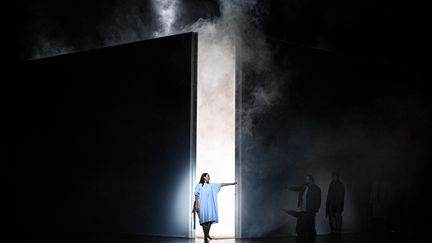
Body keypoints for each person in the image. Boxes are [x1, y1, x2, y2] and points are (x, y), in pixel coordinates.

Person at [193, 173, 237, 242]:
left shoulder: (211, 185)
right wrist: (196, 205)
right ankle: (205, 236)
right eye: (208, 176)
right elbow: (196, 195)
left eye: (209, 176)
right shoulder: (199, 186)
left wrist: (231, 183)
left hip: (210, 206)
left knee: (210, 221)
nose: (209, 178)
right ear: (204, 177)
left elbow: (221, 184)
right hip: (202, 205)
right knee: (204, 222)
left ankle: (206, 235)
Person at [283, 174, 321, 241]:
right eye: (305, 179)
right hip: (303, 211)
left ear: (310, 180)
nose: (305, 180)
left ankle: (312, 239)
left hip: (310, 211)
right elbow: (296, 188)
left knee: (311, 227)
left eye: (306, 179)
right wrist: (288, 187)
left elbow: (318, 200)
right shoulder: (304, 187)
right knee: (301, 227)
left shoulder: (316, 188)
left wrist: (315, 209)